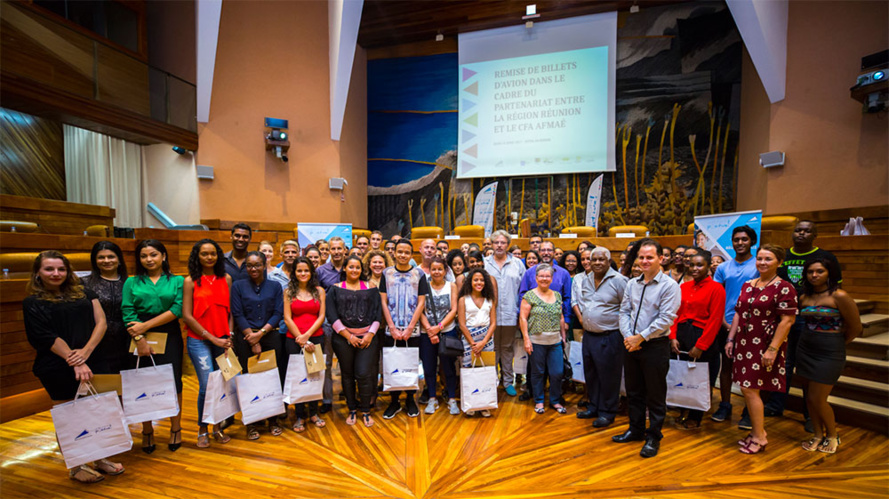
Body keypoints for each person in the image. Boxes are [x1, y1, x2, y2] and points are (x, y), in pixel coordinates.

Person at [24, 251, 123, 483]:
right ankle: (77, 465)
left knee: (98, 412)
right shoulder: (32, 302)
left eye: (61, 269)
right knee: (68, 415)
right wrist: (75, 360)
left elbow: (101, 322)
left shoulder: (85, 292)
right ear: (38, 273)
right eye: (49, 269)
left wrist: (86, 353)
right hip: (57, 365)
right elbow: (44, 336)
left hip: (94, 358)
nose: (56, 273)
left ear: (68, 271)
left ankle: (100, 458)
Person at [769, 220, 843, 428]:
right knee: (783, 363)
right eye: (798, 230)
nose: (801, 234)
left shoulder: (826, 257)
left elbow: (836, 288)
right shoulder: (784, 256)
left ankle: (810, 415)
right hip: (783, 316)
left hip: (809, 317)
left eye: (806, 231)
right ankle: (776, 405)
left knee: (805, 368)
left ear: (815, 235)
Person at [726, 244, 797, 454]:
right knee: (747, 389)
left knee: (750, 389)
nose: (762, 263)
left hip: (765, 345)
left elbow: (787, 320)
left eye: (768, 259)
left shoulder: (784, 287)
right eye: (760, 259)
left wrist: (773, 350)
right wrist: (731, 339)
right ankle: (758, 432)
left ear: (779, 263)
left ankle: (759, 436)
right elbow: (738, 312)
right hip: (744, 342)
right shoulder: (748, 284)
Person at [613, 239, 681, 458]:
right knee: (633, 391)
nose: (644, 261)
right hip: (630, 344)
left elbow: (666, 319)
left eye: (649, 257)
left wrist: (640, 338)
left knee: (655, 393)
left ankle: (653, 436)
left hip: (654, 345)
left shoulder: (669, 286)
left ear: (660, 259)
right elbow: (624, 311)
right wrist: (628, 336)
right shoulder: (633, 283)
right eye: (641, 257)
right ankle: (636, 429)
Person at [122, 239, 185, 453]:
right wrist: (140, 339)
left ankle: (176, 428)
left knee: (173, 381)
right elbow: (127, 311)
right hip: (137, 336)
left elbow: (177, 309)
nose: (149, 259)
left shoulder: (177, 281)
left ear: (163, 256)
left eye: (154, 254)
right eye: (144, 256)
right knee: (144, 384)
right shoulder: (131, 282)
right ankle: (147, 430)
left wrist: (145, 327)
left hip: (169, 333)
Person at [796, 258, 861, 454]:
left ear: (829, 273)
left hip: (830, 353)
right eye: (810, 272)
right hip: (805, 349)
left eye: (819, 271)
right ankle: (817, 435)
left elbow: (856, 327)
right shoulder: (804, 297)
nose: (814, 275)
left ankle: (832, 435)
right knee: (809, 398)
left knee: (818, 399)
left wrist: (836, 344)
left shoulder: (839, 296)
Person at [181, 239, 234, 448]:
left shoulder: (226, 278)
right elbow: (187, 315)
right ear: (197, 256)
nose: (209, 257)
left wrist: (229, 335)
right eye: (204, 254)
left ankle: (217, 427)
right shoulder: (190, 281)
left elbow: (229, 311)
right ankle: (202, 427)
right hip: (199, 341)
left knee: (222, 384)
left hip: (223, 340)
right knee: (206, 385)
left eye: (213, 253)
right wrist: (212, 338)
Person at [230, 251, 284, 440]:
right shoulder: (238, 286)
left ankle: (273, 419)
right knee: (249, 380)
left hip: (270, 337)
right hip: (245, 339)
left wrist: (260, 335)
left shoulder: (275, 286)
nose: (253, 269)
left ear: (264, 264)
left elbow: (278, 312)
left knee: (271, 378)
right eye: (249, 265)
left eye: (257, 265)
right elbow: (237, 313)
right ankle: (252, 422)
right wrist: (251, 336)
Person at [669, 251, 725, 429]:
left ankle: (696, 415)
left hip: (702, 335)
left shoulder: (716, 288)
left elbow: (715, 320)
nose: (694, 268)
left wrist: (701, 345)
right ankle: (683, 409)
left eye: (699, 265)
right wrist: (672, 337)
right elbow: (675, 314)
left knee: (700, 377)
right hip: (682, 333)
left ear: (708, 267)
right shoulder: (683, 287)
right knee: (682, 375)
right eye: (692, 265)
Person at [711, 225, 759, 428]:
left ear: (752, 241)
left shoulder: (759, 264)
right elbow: (718, 297)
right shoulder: (723, 268)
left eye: (744, 239)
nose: (740, 243)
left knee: (750, 369)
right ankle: (725, 404)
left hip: (752, 326)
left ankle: (749, 410)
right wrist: (723, 321)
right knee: (727, 367)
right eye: (736, 239)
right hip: (726, 323)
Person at [574, 247, 628, 428]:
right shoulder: (586, 279)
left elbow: (627, 308)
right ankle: (594, 406)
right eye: (593, 259)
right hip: (589, 336)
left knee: (609, 377)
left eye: (601, 260)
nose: (596, 263)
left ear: (608, 260)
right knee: (591, 375)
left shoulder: (620, 281)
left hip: (610, 336)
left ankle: (607, 411)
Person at [328, 255, 382, 427]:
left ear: (361, 269)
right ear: (345, 268)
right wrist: (348, 336)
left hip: (368, 338)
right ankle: (352, 409)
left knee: (364, 373)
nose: (354, 270)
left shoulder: (372, 288)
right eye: (351, 267)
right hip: (343, 339)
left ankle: (366, 410)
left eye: (357, 267)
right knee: (348, 374)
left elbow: (377, 313)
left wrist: (370, 335)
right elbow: (332, 315)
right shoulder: (334, 289)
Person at [379, 239, 428, 419]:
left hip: (411, 329)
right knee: (392, 364)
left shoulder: (419, 274)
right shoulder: (387, 273)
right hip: (391, 329)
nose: (402, 255)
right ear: (395, 252)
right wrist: (391, 326)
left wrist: (410, 327)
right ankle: (394, 401)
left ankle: (409, 399)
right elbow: (383, 301)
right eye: (399, 251)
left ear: (411, 254)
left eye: (406, 252)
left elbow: (421, 301)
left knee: (410, 364)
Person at [282, 256, 327, 432]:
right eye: (299, 270)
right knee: (298, 377)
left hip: (315, 337)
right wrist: (301, 338)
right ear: (294, 273)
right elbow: (287, 317)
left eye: (306, 270)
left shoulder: (319, 291)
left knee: (314, 376)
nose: (303, 273)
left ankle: (314, 413)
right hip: (293, 339)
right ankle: (300, 415)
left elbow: (321, 316)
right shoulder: (288, 292)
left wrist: (308, 335)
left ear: (311, 272)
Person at [520, 263, 567, 415]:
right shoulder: (529, 296)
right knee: (537, 372)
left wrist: (563, 337)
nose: (544, 279)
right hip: (536, 341)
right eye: (541, 276)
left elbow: (561, 317)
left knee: (557, 372)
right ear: (536, 278)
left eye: (548, 276)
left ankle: (555, 400)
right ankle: (539, 401)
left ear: (552, 278)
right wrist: (526, 339)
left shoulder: (557, 295)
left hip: (555, 342)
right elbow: (523, 318)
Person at [484, 230, 526, 396]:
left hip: (510, 312)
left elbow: (523, 290)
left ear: (507, 245)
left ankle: (508, 381)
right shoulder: (485, 262)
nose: (499, 246)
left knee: (508, 348)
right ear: (492, 244)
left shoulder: (517, 264)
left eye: (502, 243)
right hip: (489, 314)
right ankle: (492, 381)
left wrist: (520, 311)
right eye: (496, 243)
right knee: (491, 348)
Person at [418, 256, 460, 414]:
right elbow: (420, 310)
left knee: (448, 367)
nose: (436, 272)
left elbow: (454, 309)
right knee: (429, 367)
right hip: (426, 333)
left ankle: (451, 399)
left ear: (445, 270)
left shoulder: (452, 286)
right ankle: (432, 398)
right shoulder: (423, 286)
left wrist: (439, 327)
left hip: (447, 332)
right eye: (433, 269)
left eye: (439, 269)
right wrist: (430, 329)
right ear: (429, 270)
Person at [82, 241, 129, 375]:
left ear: (119, 260)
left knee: (127, 384)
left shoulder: (129, 282)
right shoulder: (84, 283)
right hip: (96, 341)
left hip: (125, 340)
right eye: (101, 257)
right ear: (95, 261)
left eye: (111, 257)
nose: (106, 260)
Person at [457, 268, 497, 417]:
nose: (479, 282)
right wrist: (474, 343)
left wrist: (484, 342)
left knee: (485, 371)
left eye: (481, 280)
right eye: (475, 280)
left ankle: (484, 403)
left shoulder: (489, 300)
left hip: (487, 339)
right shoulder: (463, 299)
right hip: (469, 340)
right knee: (469, 371)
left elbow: (493, 323)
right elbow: (462, 324)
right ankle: (471, 403)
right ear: (470, 282)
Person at [315, 236, 348, 413]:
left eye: (339, 248)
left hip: (348, 323)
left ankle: (348, 394)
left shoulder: (351, 268)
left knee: (347, 362)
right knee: (326, 362)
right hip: (327, 323)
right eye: (332, 249)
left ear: (345, 250)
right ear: (328, 251)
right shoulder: (321, 271)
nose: (336, 252)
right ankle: (327, 399)